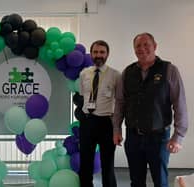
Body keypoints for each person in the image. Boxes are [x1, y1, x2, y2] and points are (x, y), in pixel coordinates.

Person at [113, 32, 188, 187]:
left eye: (146, 44)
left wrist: (178, 136)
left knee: (160, 181)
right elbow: (120, 103)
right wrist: (116, 129)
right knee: (136, 181)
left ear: (155, 46)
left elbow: (179, 104)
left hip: (159, 138)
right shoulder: (127, 73)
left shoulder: (169, 70)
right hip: (133, 136)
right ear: (134, 50)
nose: (142, 48)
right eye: (138, 46)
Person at [79, 40, 120, 187]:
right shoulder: (84, 74)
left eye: (102, 52)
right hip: (87, 121)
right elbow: (82, 94)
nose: (99, 55)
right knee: (85, 162)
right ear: (91, 54)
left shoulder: (115, 75)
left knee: (107, 163)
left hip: (106, 123)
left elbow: (120, 101)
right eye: (95, 52)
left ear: (107, 54)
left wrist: (117, 128)